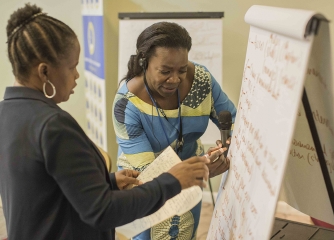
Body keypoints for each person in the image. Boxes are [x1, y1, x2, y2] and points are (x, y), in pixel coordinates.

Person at [0, 4, 223, 240]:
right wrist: (173, 180)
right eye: (73, 67)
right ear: (44, 72)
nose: (77, 75)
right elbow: (103, 211)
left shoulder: (6, 112)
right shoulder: (54, 126)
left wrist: (109, 182)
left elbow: (44, 189)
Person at [112, 22, 236, 239]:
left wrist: (229, 144)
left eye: (182, 69)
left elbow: (233, 121)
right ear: (144, 62)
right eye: (165, 71)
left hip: (192, 174)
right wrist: (202, 170)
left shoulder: (201, 81)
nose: (175, 79)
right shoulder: (126, 105)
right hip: (146, 185)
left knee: (185, 233)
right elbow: (149, 178)